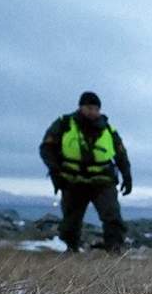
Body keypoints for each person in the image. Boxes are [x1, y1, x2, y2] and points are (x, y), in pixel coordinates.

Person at [39, 91, 132, 253]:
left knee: (112, 216)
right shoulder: (64, 124)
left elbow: (121, 153)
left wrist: (127, 176)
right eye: (89, 107)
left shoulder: (109, 129)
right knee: (71, 221)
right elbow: (46, 148)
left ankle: (114, 250)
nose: (93, 111)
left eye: (96, 108)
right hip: (72, 181)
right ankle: (71, 249)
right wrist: (55, 171)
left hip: (103, 181)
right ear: (81, 107)